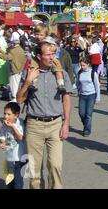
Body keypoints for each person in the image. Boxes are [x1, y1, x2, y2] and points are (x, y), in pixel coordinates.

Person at [16, 42, 72, 189]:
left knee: (55, 166)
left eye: (53, 54)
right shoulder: (29, 73)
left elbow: (66, 99)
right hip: (34, 125)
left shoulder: (61, 74)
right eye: (48, 54)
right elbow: (19, 100)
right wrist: (28, 82)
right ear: (39, 56)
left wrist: (66, 124)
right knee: (34, 171)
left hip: (55, 124)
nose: (51, 57)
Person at [28, 25, 66, 94]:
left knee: (57, 68)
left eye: (41, 35)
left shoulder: (49, 40)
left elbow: (56, 47)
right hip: (36, 57)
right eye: (37, 34)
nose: (39, 37)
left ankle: (61, 84)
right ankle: (34, 83)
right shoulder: (32, 41)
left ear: (45, 35)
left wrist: (51, 50)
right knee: (33, 67)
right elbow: (29, 48)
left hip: (50, 56)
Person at [0, 102, 25, 189]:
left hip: (19, 158)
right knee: (9, 179)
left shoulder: (20, 123)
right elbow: (1, 135)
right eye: (5, 114)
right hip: (9, 157)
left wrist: (12, 126)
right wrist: (2, 142)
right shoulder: (4, 125)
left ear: (16, 115)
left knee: (18, 181)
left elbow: (20, 137)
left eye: (9, 114)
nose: (6, 116)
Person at [75, 56, 100, 137]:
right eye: (81, 65)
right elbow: (77, 83)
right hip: (82, 95)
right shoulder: (80, 72)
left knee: (88, 114)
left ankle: (87, 130)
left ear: (88, 64)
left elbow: (97, 86)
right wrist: (71, 88)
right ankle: (86, 125)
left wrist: (98, 97)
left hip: (91, 95)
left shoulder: (93, 73)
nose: (82, 67)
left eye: (83, 65)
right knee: (81, 113)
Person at [0, 38, 26, 102]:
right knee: (17, 84)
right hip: (20, 69)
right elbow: (8, 55)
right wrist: (1, 50)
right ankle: (16, 98)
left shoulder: (13, 51)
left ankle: (14, 99)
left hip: (14, 69)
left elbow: (7, 57)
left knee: (13, 85)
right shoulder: (21, 49)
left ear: (13, 44)